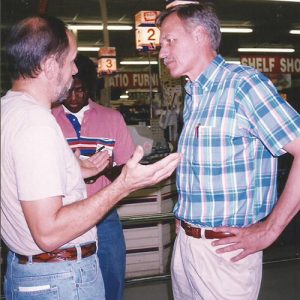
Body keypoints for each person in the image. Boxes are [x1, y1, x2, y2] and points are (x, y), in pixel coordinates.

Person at [1, 15, 181, 300]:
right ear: (49, 66)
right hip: (60, 281)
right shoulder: (37, 123)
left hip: (31, 272)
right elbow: (48, 233)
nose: (74, 71)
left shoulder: (9, 109)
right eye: (71, 60)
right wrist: (123, 184)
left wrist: (73, 169)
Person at [156, 2, 300, 299]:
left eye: (170, 40)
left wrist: (271, 229)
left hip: (224, 253)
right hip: (186, 244)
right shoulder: (194, 93)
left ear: (199, 35)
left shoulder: (243, 85)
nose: (162, 52)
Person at [52, 53, 134, 300]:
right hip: (62, 216)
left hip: (105, 216)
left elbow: (128, 171)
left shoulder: (112, 119)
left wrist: (105, 169)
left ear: (91, 88)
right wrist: (76, 172)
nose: (74, 97)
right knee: (69, 285)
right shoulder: (46, 120)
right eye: (69, 91)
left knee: (112, 280)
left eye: (81, 90)